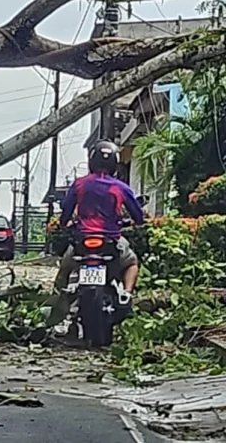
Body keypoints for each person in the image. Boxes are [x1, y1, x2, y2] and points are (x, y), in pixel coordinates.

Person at [44, 140, 145, 328]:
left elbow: (66, 212)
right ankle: (126, 294)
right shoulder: (120, 187)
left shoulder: (80, 184)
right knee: (131, 263)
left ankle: (55, 308)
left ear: (91, 161)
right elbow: (138, 216)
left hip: (82, 241)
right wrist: (134, 222)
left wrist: (65, 224)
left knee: (64, 271)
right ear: (115, 163)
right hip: (111, 241)